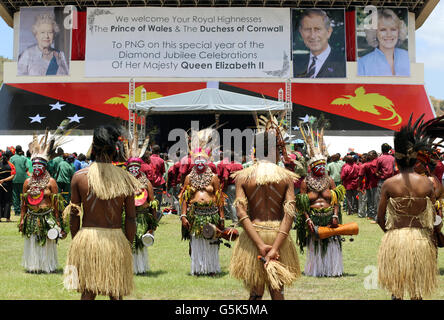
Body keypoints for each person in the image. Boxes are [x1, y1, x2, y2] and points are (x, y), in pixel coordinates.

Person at [64, 124, 140, 300]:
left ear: (93, 149)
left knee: (88, 291)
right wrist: (127, 244)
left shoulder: (79, 177)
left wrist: (77, 241)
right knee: (116, 292)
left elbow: (74, 214)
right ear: (115, 150)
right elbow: (130, 218)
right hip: (116, 241)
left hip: (87, 239)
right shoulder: (126, 179)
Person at [229, 115, 301, 300]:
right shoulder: (286, 177)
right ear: (274, 150)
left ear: (255, 149)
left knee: (255, 292)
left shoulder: (243, 177)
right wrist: (276, 247)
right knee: (278, 291)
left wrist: (260, 245)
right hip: (279, 236)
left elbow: (240, 212)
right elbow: (289, 214)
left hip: (254, 236)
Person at [376, 114, 444, 300]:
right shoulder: (427, 184)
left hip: (396, 238)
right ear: (415, 160)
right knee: (416, 292)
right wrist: (435, 233)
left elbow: (380, 218)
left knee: (397, 291)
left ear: (396, 161)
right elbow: (434, 217)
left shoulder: (389, 184)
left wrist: (391, 233)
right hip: (420, 240)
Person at [294, 116, 346, 277]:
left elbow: (336, 200)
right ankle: (317, 269)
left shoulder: (329, 180)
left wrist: (336, 215)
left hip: (330, 216)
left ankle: (332, 269)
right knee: (315, 244)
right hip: (314, 218)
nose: (322, 168)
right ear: (312, 167)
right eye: (319, 166)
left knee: (331, 242)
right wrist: (307, 219)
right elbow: (302, 205)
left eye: (323, 165)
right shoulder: (306, 182)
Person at [18, 132, 68, 273]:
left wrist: (58, 221)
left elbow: (56, 203)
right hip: (32, 216)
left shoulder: (51, 182)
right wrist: (22, 219)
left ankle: (47, 265)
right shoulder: (27, 182)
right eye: (35, 165)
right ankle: (34, 265)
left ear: (45, 166)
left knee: (47, 241)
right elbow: (23, 203)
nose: (37, 168)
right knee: (33, 241)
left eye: (40, 165)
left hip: (47, 216)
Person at [179, 127, 225, 276]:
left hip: (211, 213)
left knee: (211, 240)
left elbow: (219, 198)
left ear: (207, 161)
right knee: (196, 242)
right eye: (197, 160)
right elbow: (185, 198)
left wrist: (222, 216)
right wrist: (183, 215)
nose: (200, 162)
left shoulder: (214, 178)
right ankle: (198, 269)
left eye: (202, 160)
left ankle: (211, 268)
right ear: (194, 161)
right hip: (195, 213)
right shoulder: (188, 178)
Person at [123, 135, 159, 274]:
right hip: (126, 217)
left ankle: (140, 267)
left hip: (142, 217)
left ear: (140, 167)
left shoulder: (146, 183)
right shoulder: (123, 182)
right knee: (127, 242)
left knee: (140, 242)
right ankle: (129, 268)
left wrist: (153, 222)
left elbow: (152, 202)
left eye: (136, 167)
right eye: (131, 167)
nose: (133, 170)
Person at [294, 9, 346, 78]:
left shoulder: (343, 64)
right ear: (301, 32)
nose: (312, 36)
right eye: (307, 29)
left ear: (329, 32)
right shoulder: (295, 63)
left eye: (317, 29)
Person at [358, 8, 410, 76]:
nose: (389, 34)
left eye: (393, 29)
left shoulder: (407, 56)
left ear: (399, 31)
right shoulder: (363, 64)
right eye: (383, 30)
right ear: (375, 33)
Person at [9, 145, 31, 216]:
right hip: (23, 180)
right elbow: (27, 168)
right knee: (24, 195)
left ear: (15, 150)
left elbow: (10, 168)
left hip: (14, 179)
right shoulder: (24, 158)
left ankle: (17, 211)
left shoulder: (12, 158)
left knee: (15, 196)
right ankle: (24, 209)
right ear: (21, 150)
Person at [375, 143, 396, 207]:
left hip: (382, 181)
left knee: (380, 199)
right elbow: (395, 170)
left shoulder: (380, 158)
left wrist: (379, 175)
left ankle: (381, 215)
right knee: (391, 199)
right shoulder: (393, 158)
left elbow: (376, 171)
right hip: (391, 181)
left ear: (382, 149)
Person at [0, 151, 15, 222]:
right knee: (7, 201)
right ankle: (7, 218)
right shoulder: (11, 165)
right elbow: (12, 176)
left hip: (1, 185)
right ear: (9, 157)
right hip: (8, 185)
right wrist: (4, 180)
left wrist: (2, 180)